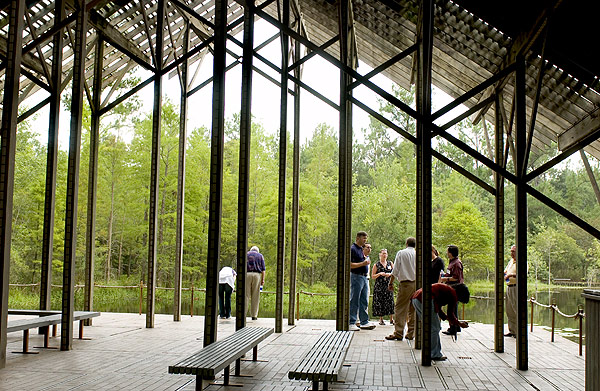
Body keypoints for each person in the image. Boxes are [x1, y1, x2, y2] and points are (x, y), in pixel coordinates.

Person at [411, 283, 470, 361]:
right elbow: (450, 314)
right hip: (425, 299)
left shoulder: (447, 290)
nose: (457, 301)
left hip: (416, 298)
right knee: (435, 328)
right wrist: (459, 324)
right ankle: (434, 354)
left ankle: (432, 352)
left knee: (431, 327)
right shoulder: (453, 294)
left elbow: (438, 308)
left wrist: (446, 318)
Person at [385, 237, 416, 341]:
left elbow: (395, 270)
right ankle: (411, 333)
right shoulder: (418, 254)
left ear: (406, 243)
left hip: (406, 284)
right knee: (413, 308)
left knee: (400, 308)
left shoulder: (401, 253)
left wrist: (391, 282)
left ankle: (398, 332)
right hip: (416, 284)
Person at [349, 231, 376, 330]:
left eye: (366, 238)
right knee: (354, 299)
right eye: (363, 238)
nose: (365, 240)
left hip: (364, 277)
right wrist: (363, 264)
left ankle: (364, 321)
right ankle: (351, 322)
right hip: (356, 276)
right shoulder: (353, 249)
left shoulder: (361, 249)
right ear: (358, 238)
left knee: (364, 299)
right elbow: (350, 264)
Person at [440, 244, 464, 335]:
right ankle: (455, 326)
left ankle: (453, 328)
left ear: (451, 253)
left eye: (448, 252)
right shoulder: (452, 262)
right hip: (450, 287)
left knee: (452, 308)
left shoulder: (457, 263)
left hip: (455, 288)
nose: (447, 253)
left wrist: (445, 279)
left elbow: (456, 278)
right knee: (452, 307)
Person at [372, 248, 395, 325]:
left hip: (388, 284)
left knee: (390, 300)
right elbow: (373, 276)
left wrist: (390, 274)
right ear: (380, 255)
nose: (384, 255)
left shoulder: (390, 263)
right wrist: (379, 274)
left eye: (385, 253)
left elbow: (395, 271)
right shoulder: (376, 265)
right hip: (379, 285)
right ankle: (381, 319)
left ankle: (391, 319)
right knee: (380, 301)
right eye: (383, 253)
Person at [246, 246, 266, 320]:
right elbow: (263, 269)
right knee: (255, 295)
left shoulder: (246, 254)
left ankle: (243, 314)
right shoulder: (260, 256)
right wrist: (262, 280)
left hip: (247, 274)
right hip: (257, 275)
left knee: (246, 295)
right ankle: (254, 315)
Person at [504, 245, 518, 337]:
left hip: (516, 287)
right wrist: (506, 276)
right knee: (509, 310)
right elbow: (506, 271)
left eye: (513, 251)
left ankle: (518, 331)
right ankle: (512, 330)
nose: (512, 253)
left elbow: (521, 274)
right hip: (509, 286)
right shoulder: (511, 262)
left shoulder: (522, 262)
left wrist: (510, 275)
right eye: (511, 251)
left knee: (516, 308)